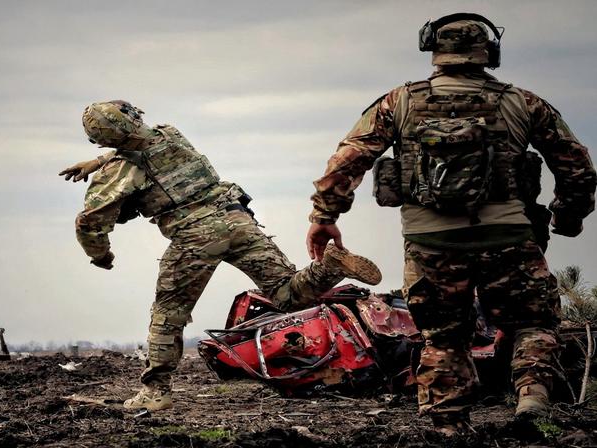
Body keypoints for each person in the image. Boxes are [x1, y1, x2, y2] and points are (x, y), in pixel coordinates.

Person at [304, 14, 596, 435]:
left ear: (434, 51)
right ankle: (531, 393)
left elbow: (348, 160)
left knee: (442, 336)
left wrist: (324, 217)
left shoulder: (397, 102)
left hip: (430, 242)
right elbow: (577, 167)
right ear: (489, 52)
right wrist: (569, 216)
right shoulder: (524, 103)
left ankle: (448, 426)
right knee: (532, 322)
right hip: (509, 236)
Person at [61, 100, 382, 411]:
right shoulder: (170, 134)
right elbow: (138, 148)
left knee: (167, 314)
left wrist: (101, 256)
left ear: (100, 139)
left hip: (195, 237)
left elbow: (89, 222)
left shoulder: (118, 172)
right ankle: (329, 267)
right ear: (132, 116)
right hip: (236, 218)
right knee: (287, 294)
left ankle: (154, 392)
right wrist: (99, 161)